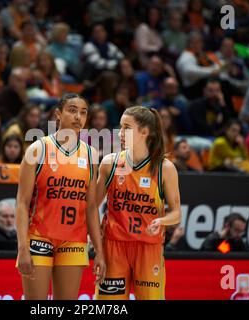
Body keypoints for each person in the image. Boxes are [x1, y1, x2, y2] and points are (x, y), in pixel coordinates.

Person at [16, 93, 105, 300]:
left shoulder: (91, 154)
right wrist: (22, 248)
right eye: (72, 110)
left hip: (74, 239)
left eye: (83, 112)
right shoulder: (37, 149)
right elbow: (22, 203)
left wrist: (99, 251)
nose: (78, 117)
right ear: (58, 114)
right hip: (39, 237)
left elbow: (91, 207)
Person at [94, 106, 181, 300]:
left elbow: (176, 213)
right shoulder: (110, 163)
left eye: (127, 128)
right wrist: (94, 238)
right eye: (120, 127)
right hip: (114, 246)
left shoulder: (165, 168)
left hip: (149, 247)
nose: (121, 133)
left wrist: (160, 221)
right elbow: (92, 206)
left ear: (145, 132)